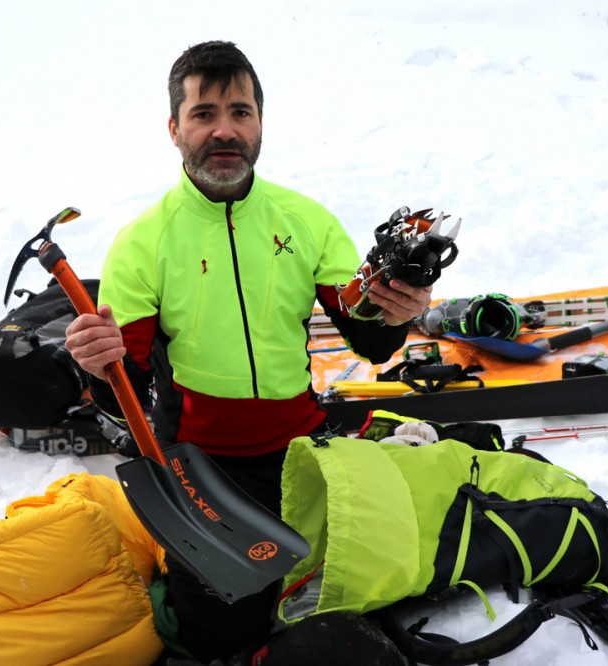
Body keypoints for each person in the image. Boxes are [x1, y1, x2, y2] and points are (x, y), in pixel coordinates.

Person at [64, 40, 432, 662]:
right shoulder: (143, 242)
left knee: (351, 596)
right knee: (220, 636)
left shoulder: (306, 220)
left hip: (302, 448)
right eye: (204, 114)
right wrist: (97, 364)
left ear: (261, 122)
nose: (225, 130)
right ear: (174, 129)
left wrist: (395, 312)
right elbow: (123, 386)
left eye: (240, 112)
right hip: (201, 466)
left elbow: (368, 338)